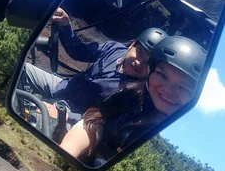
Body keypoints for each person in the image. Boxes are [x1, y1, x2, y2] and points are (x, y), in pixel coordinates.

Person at [59, 36, 206, 161]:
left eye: (184, 87)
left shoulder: (175, 138)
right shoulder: (130, 95)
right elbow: (94, 121)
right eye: (162, 75)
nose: (168, 90)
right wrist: (65, 153)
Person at [21, 7, 167, 125]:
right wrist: (66, 25)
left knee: (35, 121)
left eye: (148, 63)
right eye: (140, 52)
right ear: (132, 45)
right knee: (23, 70)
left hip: (76, 115)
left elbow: (105, 123)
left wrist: (64, 115)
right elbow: (79, 52)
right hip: (64, 86)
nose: (139, 63)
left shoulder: (136, 94)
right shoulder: (114, 49)